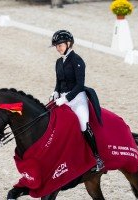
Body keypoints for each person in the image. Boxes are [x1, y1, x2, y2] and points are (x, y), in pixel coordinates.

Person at [50, 30, 104, 172]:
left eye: (60, 45)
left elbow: (80, 85)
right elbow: (58, 81)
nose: (58, 48)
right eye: (56, 46)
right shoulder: (58, 62)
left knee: (83, 126)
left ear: (68, 44)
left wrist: (66, 98)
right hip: (62, 98)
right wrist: (55, 92)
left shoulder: (77, 60)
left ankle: (97, 158)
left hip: (77, 99)